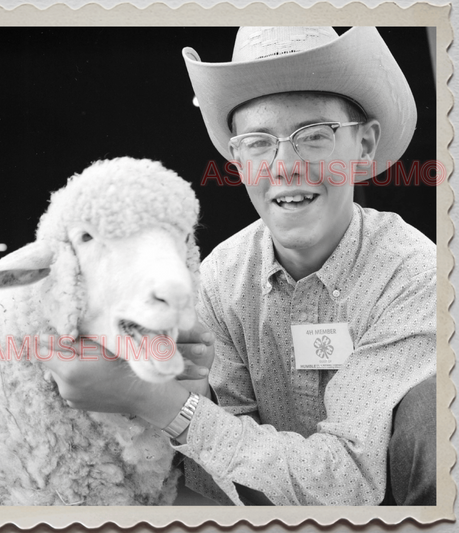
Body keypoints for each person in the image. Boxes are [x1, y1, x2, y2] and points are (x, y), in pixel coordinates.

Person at [42, 26, 436, 506]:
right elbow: (218, 480)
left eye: (314, 136)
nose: (284, 165)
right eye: (258, 142)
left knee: (434, 413)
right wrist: (187, 393)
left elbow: (348, 483)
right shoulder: (218, 280)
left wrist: (153, 399)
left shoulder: (415, 276)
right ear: (236, 158)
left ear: (365, 145)